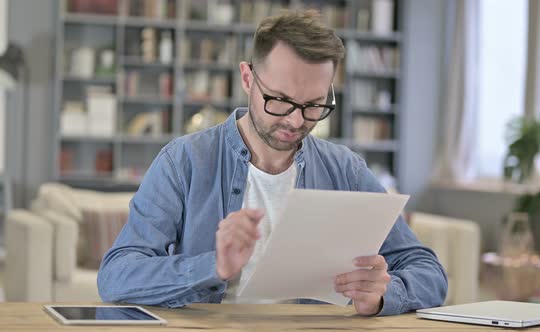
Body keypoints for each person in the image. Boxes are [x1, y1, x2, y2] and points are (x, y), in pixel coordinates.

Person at [98, 10, 447, 316]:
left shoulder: (345, 170)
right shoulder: (184, 161)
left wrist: (384, 295)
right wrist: (213, 267)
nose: (296, 122)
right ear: (248, 78)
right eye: (280, 101)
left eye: (314, 105)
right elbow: (117, 276)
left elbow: (428, 272)